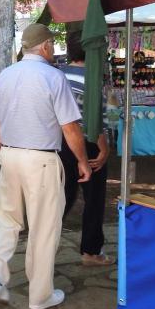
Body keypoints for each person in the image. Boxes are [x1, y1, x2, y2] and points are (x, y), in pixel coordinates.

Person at [0, 23, 91, 309]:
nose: (54, 49)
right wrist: (82, 161)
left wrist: (4, 152)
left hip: (10, 154)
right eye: (52, 44)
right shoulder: (53, 77)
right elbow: (70, 127)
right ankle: (40, 295)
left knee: (6, 220)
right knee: (43, 227)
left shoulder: (5, 75)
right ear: (45, 45)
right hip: (41, 159)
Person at [59, 35, 112, 266]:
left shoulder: (57, 75)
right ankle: (91, 251)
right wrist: (104, 149)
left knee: (61, 197)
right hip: (88, 143)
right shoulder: (91, 79)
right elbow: (94, 120)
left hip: (59, 143)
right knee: (94, 198)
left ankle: (42, 245)